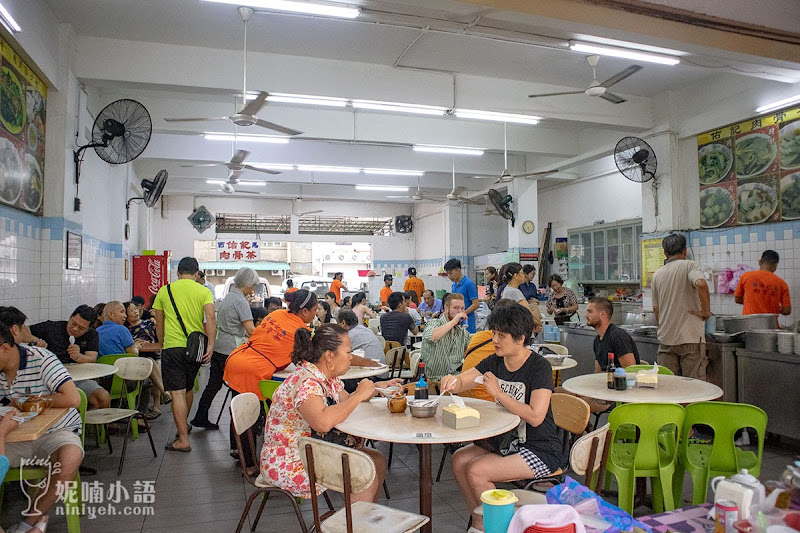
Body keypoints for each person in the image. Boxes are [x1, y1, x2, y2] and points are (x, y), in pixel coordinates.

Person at [439, 304, 563, 532]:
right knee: (459, 460)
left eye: (501, 335)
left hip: (539, 448)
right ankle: (481, 521)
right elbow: (465, 380)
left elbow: (536, 417)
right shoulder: (495, 361)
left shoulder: (539, 367)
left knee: (477, 470)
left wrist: (498, 394)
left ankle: (500, 527)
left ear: (520, 338)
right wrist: (451, 382)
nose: (494, 339)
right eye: (494, 333)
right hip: (506, 442)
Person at [260, 324, 401, 501]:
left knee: (377, 461)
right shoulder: (307, 383)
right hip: (291, 461)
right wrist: (358, 396)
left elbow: (345, 400)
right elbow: (323, 423)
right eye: (348, 352)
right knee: (363, 476)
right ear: (329, 356)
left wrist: (376, 388)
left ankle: (363, 517)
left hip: (313, 449)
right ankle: (354, 525)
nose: (351, 358)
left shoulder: (326, 378)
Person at [0, 308, 83, 533]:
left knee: (70, 455)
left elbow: (72, 398)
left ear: (5, 348)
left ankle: (28, 523)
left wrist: (25, 401)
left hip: (55, 432)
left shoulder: (41, 358)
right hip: (11, 437)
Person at [153, 257, 216, 453]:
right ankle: (184, 426)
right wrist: (211, 345)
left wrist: (162, 344)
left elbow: (159, 322)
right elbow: (211, 318)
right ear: (197, 274)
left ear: (178, 273)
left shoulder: (165, 290)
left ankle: (182, 438)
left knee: (177, 393)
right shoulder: (203, 291)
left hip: (172, 347)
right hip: (195, 348)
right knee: (188, 389)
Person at [191, 267, 258, 431]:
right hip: (231, 349)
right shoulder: (241, 301)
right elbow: (250, 329)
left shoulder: (229, 296)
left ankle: (200, 416)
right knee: (237, 389)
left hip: (220, 345)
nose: (252, 290)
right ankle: (237, 432)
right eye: (252, 286)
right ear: (248, 284)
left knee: (213, 384)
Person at [651, 233, 711, 379]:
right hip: (689, 338)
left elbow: (656, 309)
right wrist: (705, 311)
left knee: (667, 386)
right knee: (693, 387)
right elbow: (701, 284)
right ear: (685, 251)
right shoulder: (690, 265)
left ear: (665, 253)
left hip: (666, 340)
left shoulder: (657, 274)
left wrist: (664, 326)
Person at [29, 305, 110, 410]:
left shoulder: (92, 335)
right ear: (70, 317)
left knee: (102, 398)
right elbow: (22, 332)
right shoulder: (51, 328)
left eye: (81, 328)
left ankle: (88, 425)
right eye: (73, 323)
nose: (75, 329)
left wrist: (78, 357)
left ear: (88, 328)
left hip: (79, 378)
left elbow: (92, 358)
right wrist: (36, 341)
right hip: (50, 379)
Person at [459, 299, 517, 402]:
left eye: (501, 335)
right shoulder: (498, 355)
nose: (495, 340)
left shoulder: (477, 337)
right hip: (486, 400)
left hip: (465, 397)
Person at [123, 301, 166, 419]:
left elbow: (159, 339)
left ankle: (156, 404)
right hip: (137, 357)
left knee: (156, 366)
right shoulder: (126, 330)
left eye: (135, 309)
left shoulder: (149, 323)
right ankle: (161, 395)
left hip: (153, 354)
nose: (136, 311)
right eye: (131, 310)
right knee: (149, 370)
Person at [420, 293, 471, 382]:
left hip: (454, 380)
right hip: (434, 381)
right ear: (446, 309)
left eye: (462, 308)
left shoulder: (462, 332)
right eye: (456, 308)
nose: (460, 312)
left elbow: (473, 347)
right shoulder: (434, 323)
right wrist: (454, 321)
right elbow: (432, 336)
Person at [734, 250, 791, 319]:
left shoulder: (746, 276)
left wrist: (753, 302)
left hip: (748, 324)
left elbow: (737, 299)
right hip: (770, 325)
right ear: (775, 266)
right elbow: (787, 310)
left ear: (760, 262)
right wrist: (777, 307)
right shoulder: (781, 283)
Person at [499, 262, 543, 333]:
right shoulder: (515, 292)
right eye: (522, 273)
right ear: (516, 275)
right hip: (517, 329)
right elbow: (527, 312)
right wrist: (539, 323)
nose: (524, 276)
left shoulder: (506, 289)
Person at [444, 258, 480, 334]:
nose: (449, 276)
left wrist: (463, 314)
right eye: (447, 274)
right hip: (456, 323)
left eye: (451, 273)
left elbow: (476, 304)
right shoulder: (454, 285)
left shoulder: (468, 284)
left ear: (458, 270)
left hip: (467, 324)